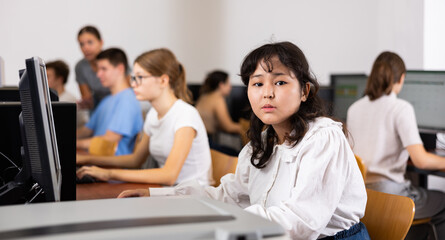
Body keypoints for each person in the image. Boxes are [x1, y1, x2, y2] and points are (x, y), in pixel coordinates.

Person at [117, 42, 370, 240]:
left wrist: (222, 223)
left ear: (304, 91)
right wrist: (158, 196)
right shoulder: (261, 143)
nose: (267, 92)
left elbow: (301, 223)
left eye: (280, 82)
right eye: (257, 83)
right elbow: (229, 196)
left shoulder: (322, 137)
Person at [76, 48, 212, 186]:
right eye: (134, 78)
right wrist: (86, 160)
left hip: (192, 197)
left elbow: (169, 175)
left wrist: (108, 173)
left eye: (140, 77)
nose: (133, 84)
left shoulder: (185, 115)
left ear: (163, 81)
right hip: (170, 193)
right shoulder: (153, 114)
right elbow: (135, 160)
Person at [347, 51, 445, 239]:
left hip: (363, 197)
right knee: (442, 201)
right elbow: (421, 161)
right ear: (401, 79)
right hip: (392, 197)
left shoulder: (354, 108)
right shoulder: (401, 108)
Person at [76, 48, 143, 156]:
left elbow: (109, 140)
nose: (98, 74)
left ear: (120, 69)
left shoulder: (127, 100)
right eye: (98, 69)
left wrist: (74, 144)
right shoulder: (106, 101)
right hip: (96, 162)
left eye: (104, 69)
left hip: (113, 168)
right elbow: (86, 130)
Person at [195, 70, 242, 156]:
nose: (230, 87)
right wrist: (249, 128)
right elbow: (229, 127)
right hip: (207, 143)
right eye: (228, 83)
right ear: (221, 85)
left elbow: (219, 125)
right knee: (238, 154)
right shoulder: (218, 99)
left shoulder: (204, 96)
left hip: (199, 142)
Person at [75, 25, 110, 110]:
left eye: (90, 42)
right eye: (81, 44)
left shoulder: (114, 60)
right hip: (98, 108)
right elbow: (88, 101)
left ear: (101, 42)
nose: (85, 48)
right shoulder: (80, 67)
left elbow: (126, 91)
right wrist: (84, 103)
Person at [46, 60, 89, 128]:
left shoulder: (68, 101)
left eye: (47, 76)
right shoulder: (51, 99)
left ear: (60, 79)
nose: (44, 80)